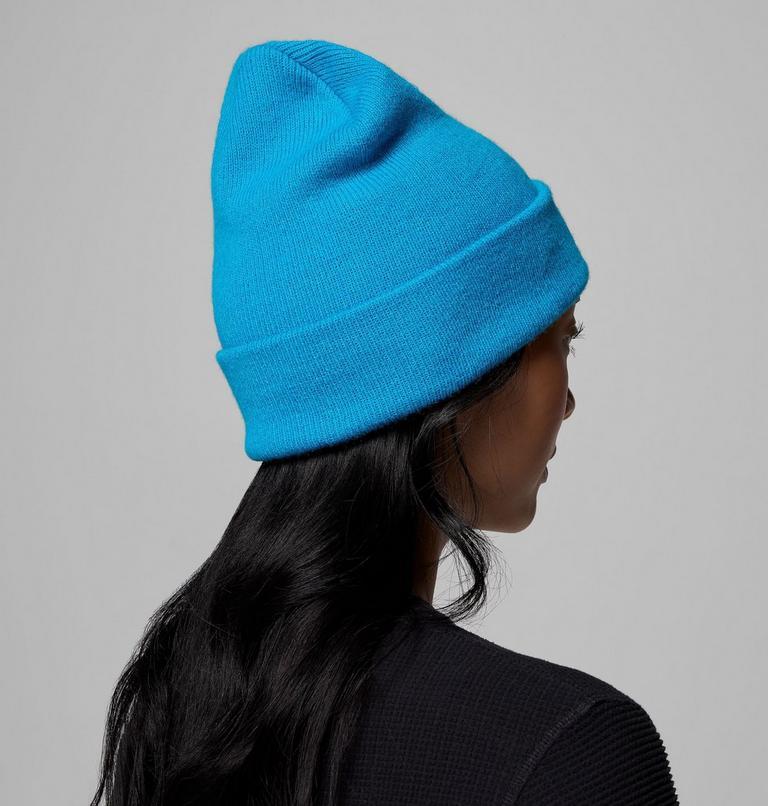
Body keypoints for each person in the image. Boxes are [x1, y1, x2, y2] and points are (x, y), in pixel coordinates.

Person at [89, 39, 679, 805]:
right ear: (460, 371)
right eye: (561, 340)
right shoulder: (570, 751)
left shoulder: (175, 700)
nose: (567, 400)